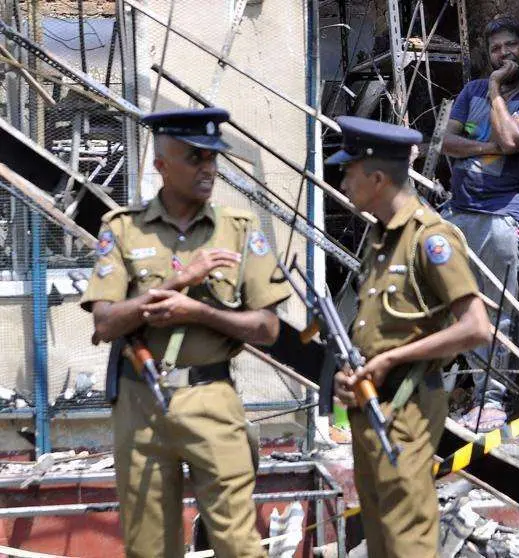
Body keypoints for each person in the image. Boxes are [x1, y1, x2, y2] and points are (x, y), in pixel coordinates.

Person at [81, 108, 291, 558]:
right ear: (161, 165)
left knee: (238, 544)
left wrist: (197, 311)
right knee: (149, 546)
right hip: (140, 403)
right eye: (195, 158)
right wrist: (176, 282)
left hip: (210, 397)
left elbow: (268, 328)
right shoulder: (122, 229)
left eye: (213, 158)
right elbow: (105, 322)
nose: (208, 169)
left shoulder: (239, 231)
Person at [329, 116, 491, 558]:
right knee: (381, 542)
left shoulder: (430, 239)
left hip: (407, 407)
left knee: (407, 542)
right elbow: (377, 330)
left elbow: (476, 327)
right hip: (371, 406)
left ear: (377, 178)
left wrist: (390, 360)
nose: (342, 179)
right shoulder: (380, 240)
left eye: (349, 171)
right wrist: (354, 372)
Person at [440, 14, 519, 432]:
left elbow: (513, 140)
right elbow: (446, 141)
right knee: (437, 298)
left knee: (495, 310)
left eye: (510, 46)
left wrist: (498, 90)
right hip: (457, 211)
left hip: (501, 216)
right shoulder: (470, 91)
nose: (503, 55)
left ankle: (492, 401)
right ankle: (433, 389)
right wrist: (485, 146)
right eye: (496, 49)